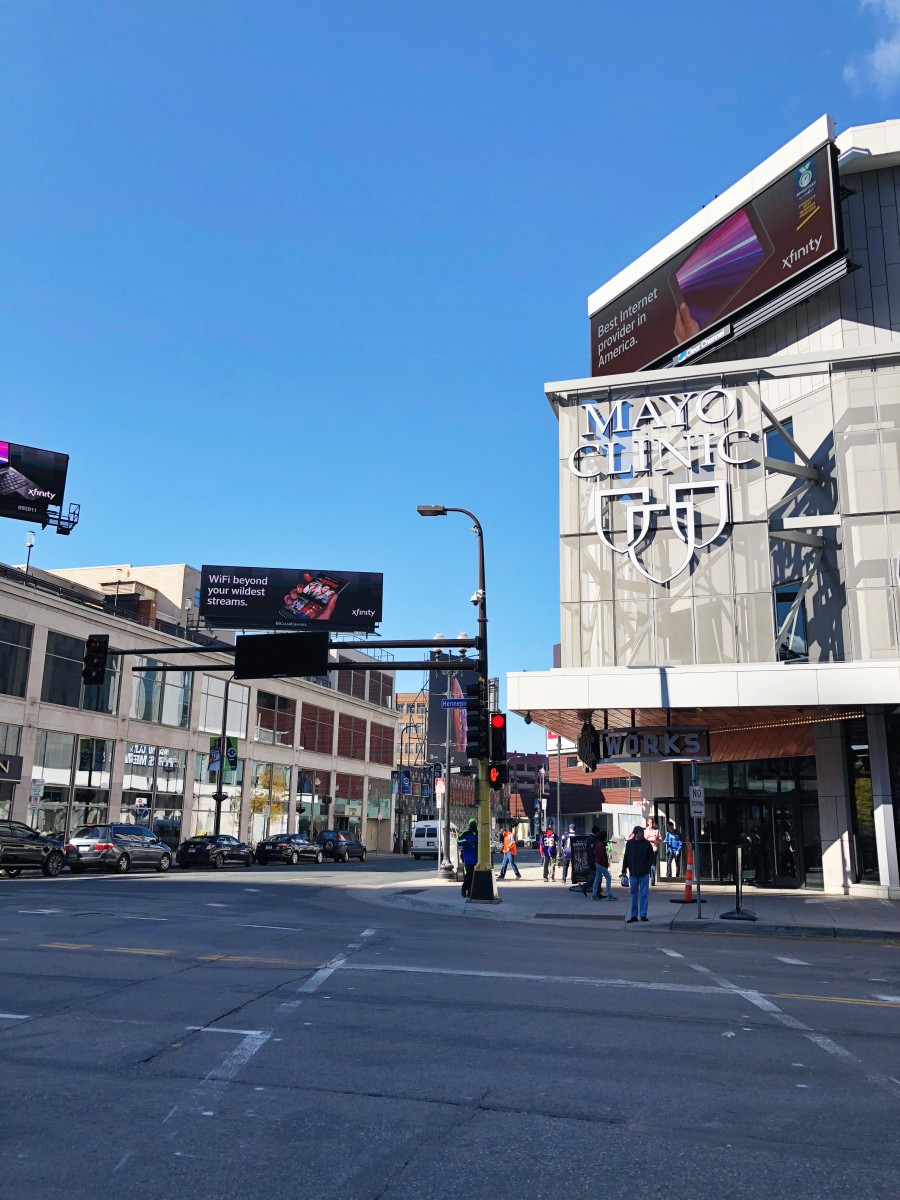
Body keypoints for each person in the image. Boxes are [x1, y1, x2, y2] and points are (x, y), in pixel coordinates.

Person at [621, 825, 655, 923]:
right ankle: (634, 915)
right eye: (641, 832)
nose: (643, 834)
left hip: (644, 873)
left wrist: (646, 867)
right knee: (633, 895)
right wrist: (624, 870)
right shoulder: (629, 844)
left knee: (644, 894)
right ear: (636, 833)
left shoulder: (647, 844)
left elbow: (651, 858)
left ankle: (643, 914)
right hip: (633, 874)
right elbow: (626, 857)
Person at [590, 825, 615, 901]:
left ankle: (594, 894)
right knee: (608, 877)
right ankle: (609, 894)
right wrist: (605, 863)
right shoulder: (601, 845)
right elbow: (601, 856)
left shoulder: (598, 843)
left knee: (597, 878)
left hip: (597, 862)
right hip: (601, 863)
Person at [457, 818, 478, 898]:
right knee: (469, 875)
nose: (474, 825)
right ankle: (464, 888)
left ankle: (470, 891)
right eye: (472, 823)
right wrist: (465, 842)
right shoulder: (465, 833)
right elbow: (458, 841)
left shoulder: (478, 833)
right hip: (468, 858)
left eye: (474, 823)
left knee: (473, 876)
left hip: (477, 858)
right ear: (470, 825)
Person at [644, 817, 662, 885]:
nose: (651, 824)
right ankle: (647, 878)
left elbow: (660, 839)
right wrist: (651, 839)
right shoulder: (646, 831)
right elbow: (645, 839)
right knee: (647, 864)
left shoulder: (656, 831)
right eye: (650, 822)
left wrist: (656, 838)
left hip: (654, 849)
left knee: (653, 865)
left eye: (652, 822)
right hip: (647, 849)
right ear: (648, 823)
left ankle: (653, 880)